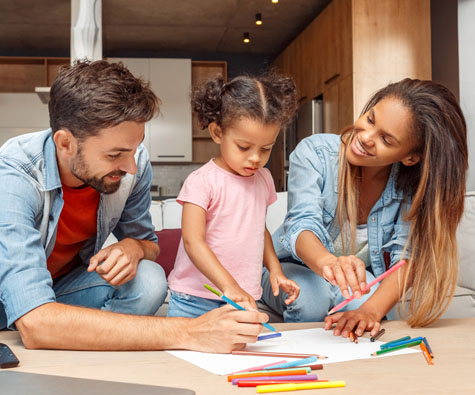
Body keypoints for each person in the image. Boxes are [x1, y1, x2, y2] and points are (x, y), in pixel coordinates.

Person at [0, 60, 268, 352]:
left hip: (65, 287)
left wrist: (133, 247)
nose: (130, 167)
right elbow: (36, 321)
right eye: (115, 154)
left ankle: (71, 334)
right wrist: (191, 332)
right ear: (65, 144)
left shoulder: (134, 163)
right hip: (8, 298)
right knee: (37, 324)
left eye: (134, 149)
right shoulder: (14, 176)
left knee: (148, 280)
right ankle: (55, 330)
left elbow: (149, 246)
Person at [261, 78, 468, 338]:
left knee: (364, 305)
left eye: (386, 140)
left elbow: (406, 258)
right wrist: (329, 262)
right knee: (310, 297)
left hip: (355, 280)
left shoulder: (411, 187)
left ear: (410, 157)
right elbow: (302, 225)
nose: (365, 137)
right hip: (292, 267)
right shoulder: (316, 153)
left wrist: (370, 311)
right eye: (370, 119)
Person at [167, 74, 300, 318]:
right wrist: (229, 286)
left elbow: (260, 230)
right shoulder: (202, 181)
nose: (255, 158)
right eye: (243, 147)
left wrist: (275, 269)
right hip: (195, 299)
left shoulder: (263, 179)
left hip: (243, 297)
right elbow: (193, 242)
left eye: (266, 149)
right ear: (218, 133)